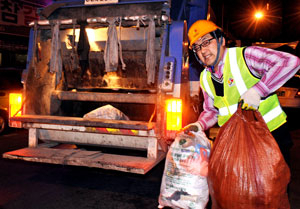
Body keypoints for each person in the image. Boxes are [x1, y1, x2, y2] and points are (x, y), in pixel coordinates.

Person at [183, 20, 300, 166]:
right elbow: (212, 111)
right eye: (197, 47)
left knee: (272, 188)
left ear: (221, 40)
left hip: (270, 138)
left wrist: (259, 90)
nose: (203, 51)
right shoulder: (205, 78)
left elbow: (290, 62)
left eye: (206, 42)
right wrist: (199, 125)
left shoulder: (246, 56)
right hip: (236, 142)